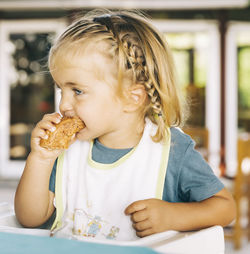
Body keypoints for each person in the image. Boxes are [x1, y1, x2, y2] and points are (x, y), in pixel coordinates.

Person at [14, 9, 236, 241]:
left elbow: (225, 208)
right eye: (62, 90)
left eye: (77, 91)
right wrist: (40, 159)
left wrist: (173, 216)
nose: (63, 104)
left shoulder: (171, 150)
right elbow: (29, 218)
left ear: (133, 98)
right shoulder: (67, 148)